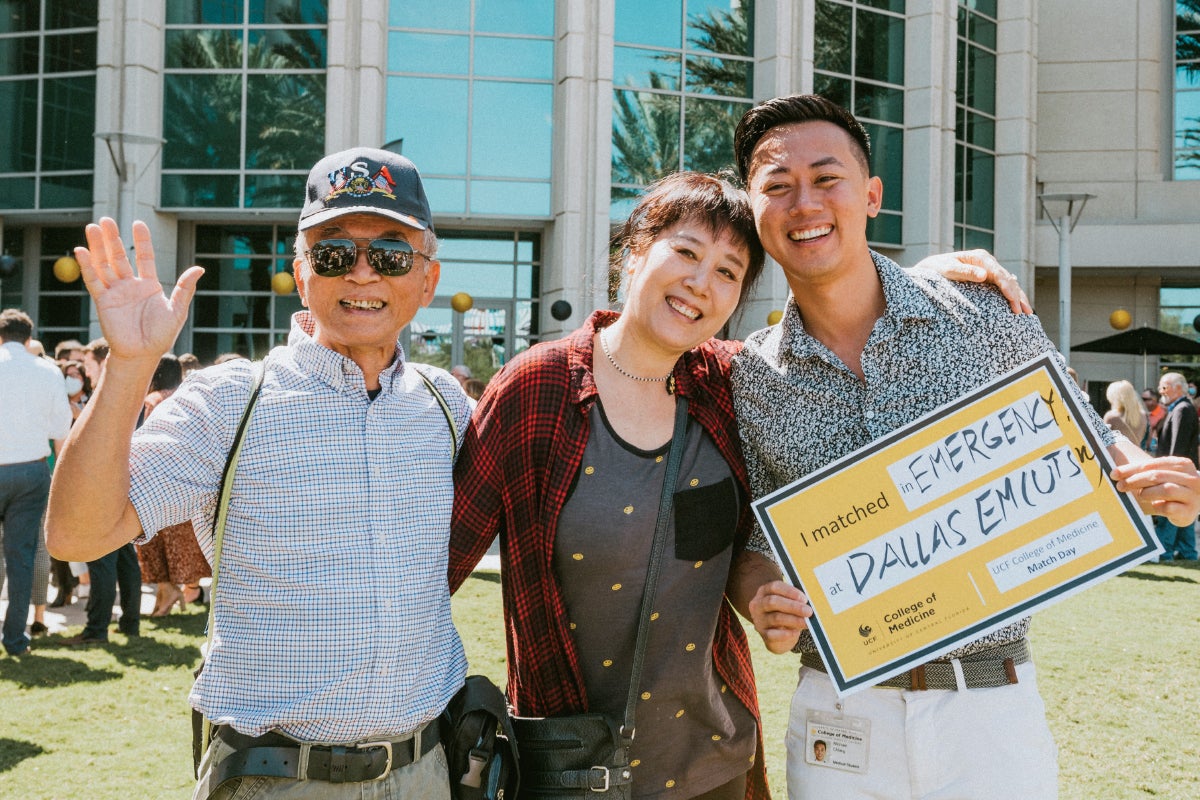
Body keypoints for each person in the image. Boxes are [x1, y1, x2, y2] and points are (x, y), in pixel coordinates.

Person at [448, 171, 1028, 800]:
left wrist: (920, 280)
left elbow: (757, 537)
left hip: (716, 764)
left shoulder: (731, 384)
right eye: (687, 253)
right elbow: (438, 562)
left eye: (728, 272)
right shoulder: (536, 387)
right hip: (572, 769)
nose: (701, 283)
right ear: (635, 251)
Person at [727, 94, 1200, 800]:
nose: (805, 202)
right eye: (777, 185)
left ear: (871, 195)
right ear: (754, 207)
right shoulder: (748, 378)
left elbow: (1082, 433)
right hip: (839, 711)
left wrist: (1152, 476)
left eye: (827, 178)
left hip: (991, 711)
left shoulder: (982, 309)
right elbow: (746, 537)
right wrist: (757, 595)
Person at [47, 147, 472, 799]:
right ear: (301, 274)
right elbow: (76, 536)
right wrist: (128, 366)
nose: (362, 275)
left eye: (388, 254)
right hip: (273, 781)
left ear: (426, 280)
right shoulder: (230, 400)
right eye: (334, 254)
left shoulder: (446, 405)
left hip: (426, 773)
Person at [62, 337, 145, 646]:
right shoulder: (126, 390)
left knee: (102, 557)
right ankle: (130, 624)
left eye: (88, 365)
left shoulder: (107, 395)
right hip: (124, 481)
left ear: (102, 363)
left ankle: (97, 629)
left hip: (105, 484)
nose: (85, 372)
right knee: (124, 557)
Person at [0, 309, 72, 656]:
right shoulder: (47, 371)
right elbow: (62, 432)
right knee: (22, 556)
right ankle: (15, 639)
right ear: (29, 338)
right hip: (31, 470)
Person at [135, 353, 212, 616]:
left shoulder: (153, 401)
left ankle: (167, 593)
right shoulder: (185, 396)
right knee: (177, 546)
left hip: (160, 483)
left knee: (153, 543)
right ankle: (170, 593)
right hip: (189, 483)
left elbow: (148, 444)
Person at [1153, 372, 1199, 561]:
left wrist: (1169, 471)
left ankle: (1165, 552)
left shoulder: (1181, 409)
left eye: (1164, 387)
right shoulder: (1180, 408)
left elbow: (1177, 446)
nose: (1161, 391)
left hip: (1177, 471)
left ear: (1178, 388)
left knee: (1171, 510)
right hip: (1183, 471)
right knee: (1184, 511)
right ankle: (1188, 553)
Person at [1105, 380, 1148, 447]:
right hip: (1137, 453)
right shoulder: (1143, 415)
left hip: (1118, 455)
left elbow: (1104, 440)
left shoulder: (1111, 417)